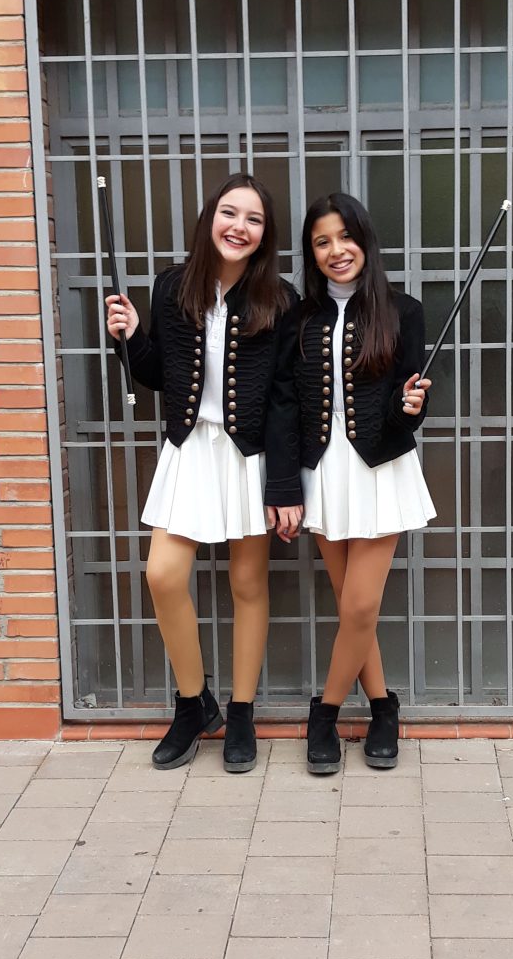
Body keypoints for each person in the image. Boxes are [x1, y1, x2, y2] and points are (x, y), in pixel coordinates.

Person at [105, 173, 302, 773]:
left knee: (248, 584)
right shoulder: (173, 286)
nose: (239, 227)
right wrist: (129, 336)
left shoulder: (280, 298)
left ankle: (241, 712)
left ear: (265, 234)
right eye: (229, 213)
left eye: (254, 219)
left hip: (249, 455)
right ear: (209, 218)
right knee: (163, 575)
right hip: (189, 448)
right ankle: (194, 704)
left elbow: (286, 398)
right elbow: (158, 374)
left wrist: (284, 485)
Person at [295, 192, 436, 773]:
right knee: (354, 609)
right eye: (322, 241)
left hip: (380, 468)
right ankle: (382, 708)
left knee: (359, 604)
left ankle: (324, 714)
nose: (336, 250)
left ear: (365, 241)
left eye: (345, 237)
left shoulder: (404, 311)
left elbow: (409, 407)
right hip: (322, 471)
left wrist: (410, 406)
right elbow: (286, 403)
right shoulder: (300, 317)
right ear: (311, 253)